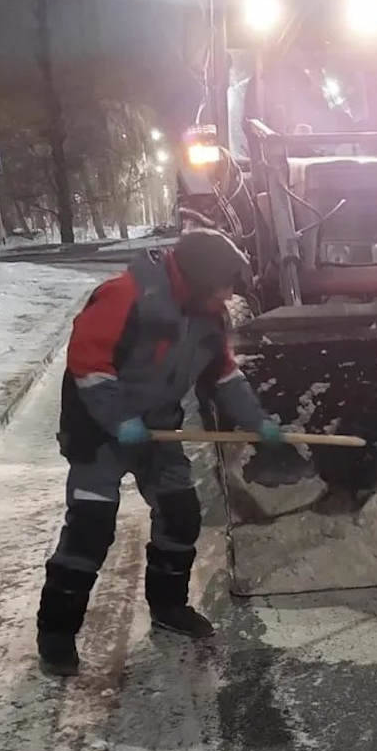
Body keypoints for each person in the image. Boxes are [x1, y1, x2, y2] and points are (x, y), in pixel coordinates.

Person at [36, 229, 283, 677]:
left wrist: (256, 422)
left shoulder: (207, 316)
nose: (229, 295)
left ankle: (169, 605)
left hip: (156, 432)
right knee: (90, 530)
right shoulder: (124, 295)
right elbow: (87, 362)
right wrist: (116, 420)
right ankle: (56, 634)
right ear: (199, 276)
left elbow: (223, 376)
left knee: (181, 515)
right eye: (225, 284)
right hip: (98, 433)